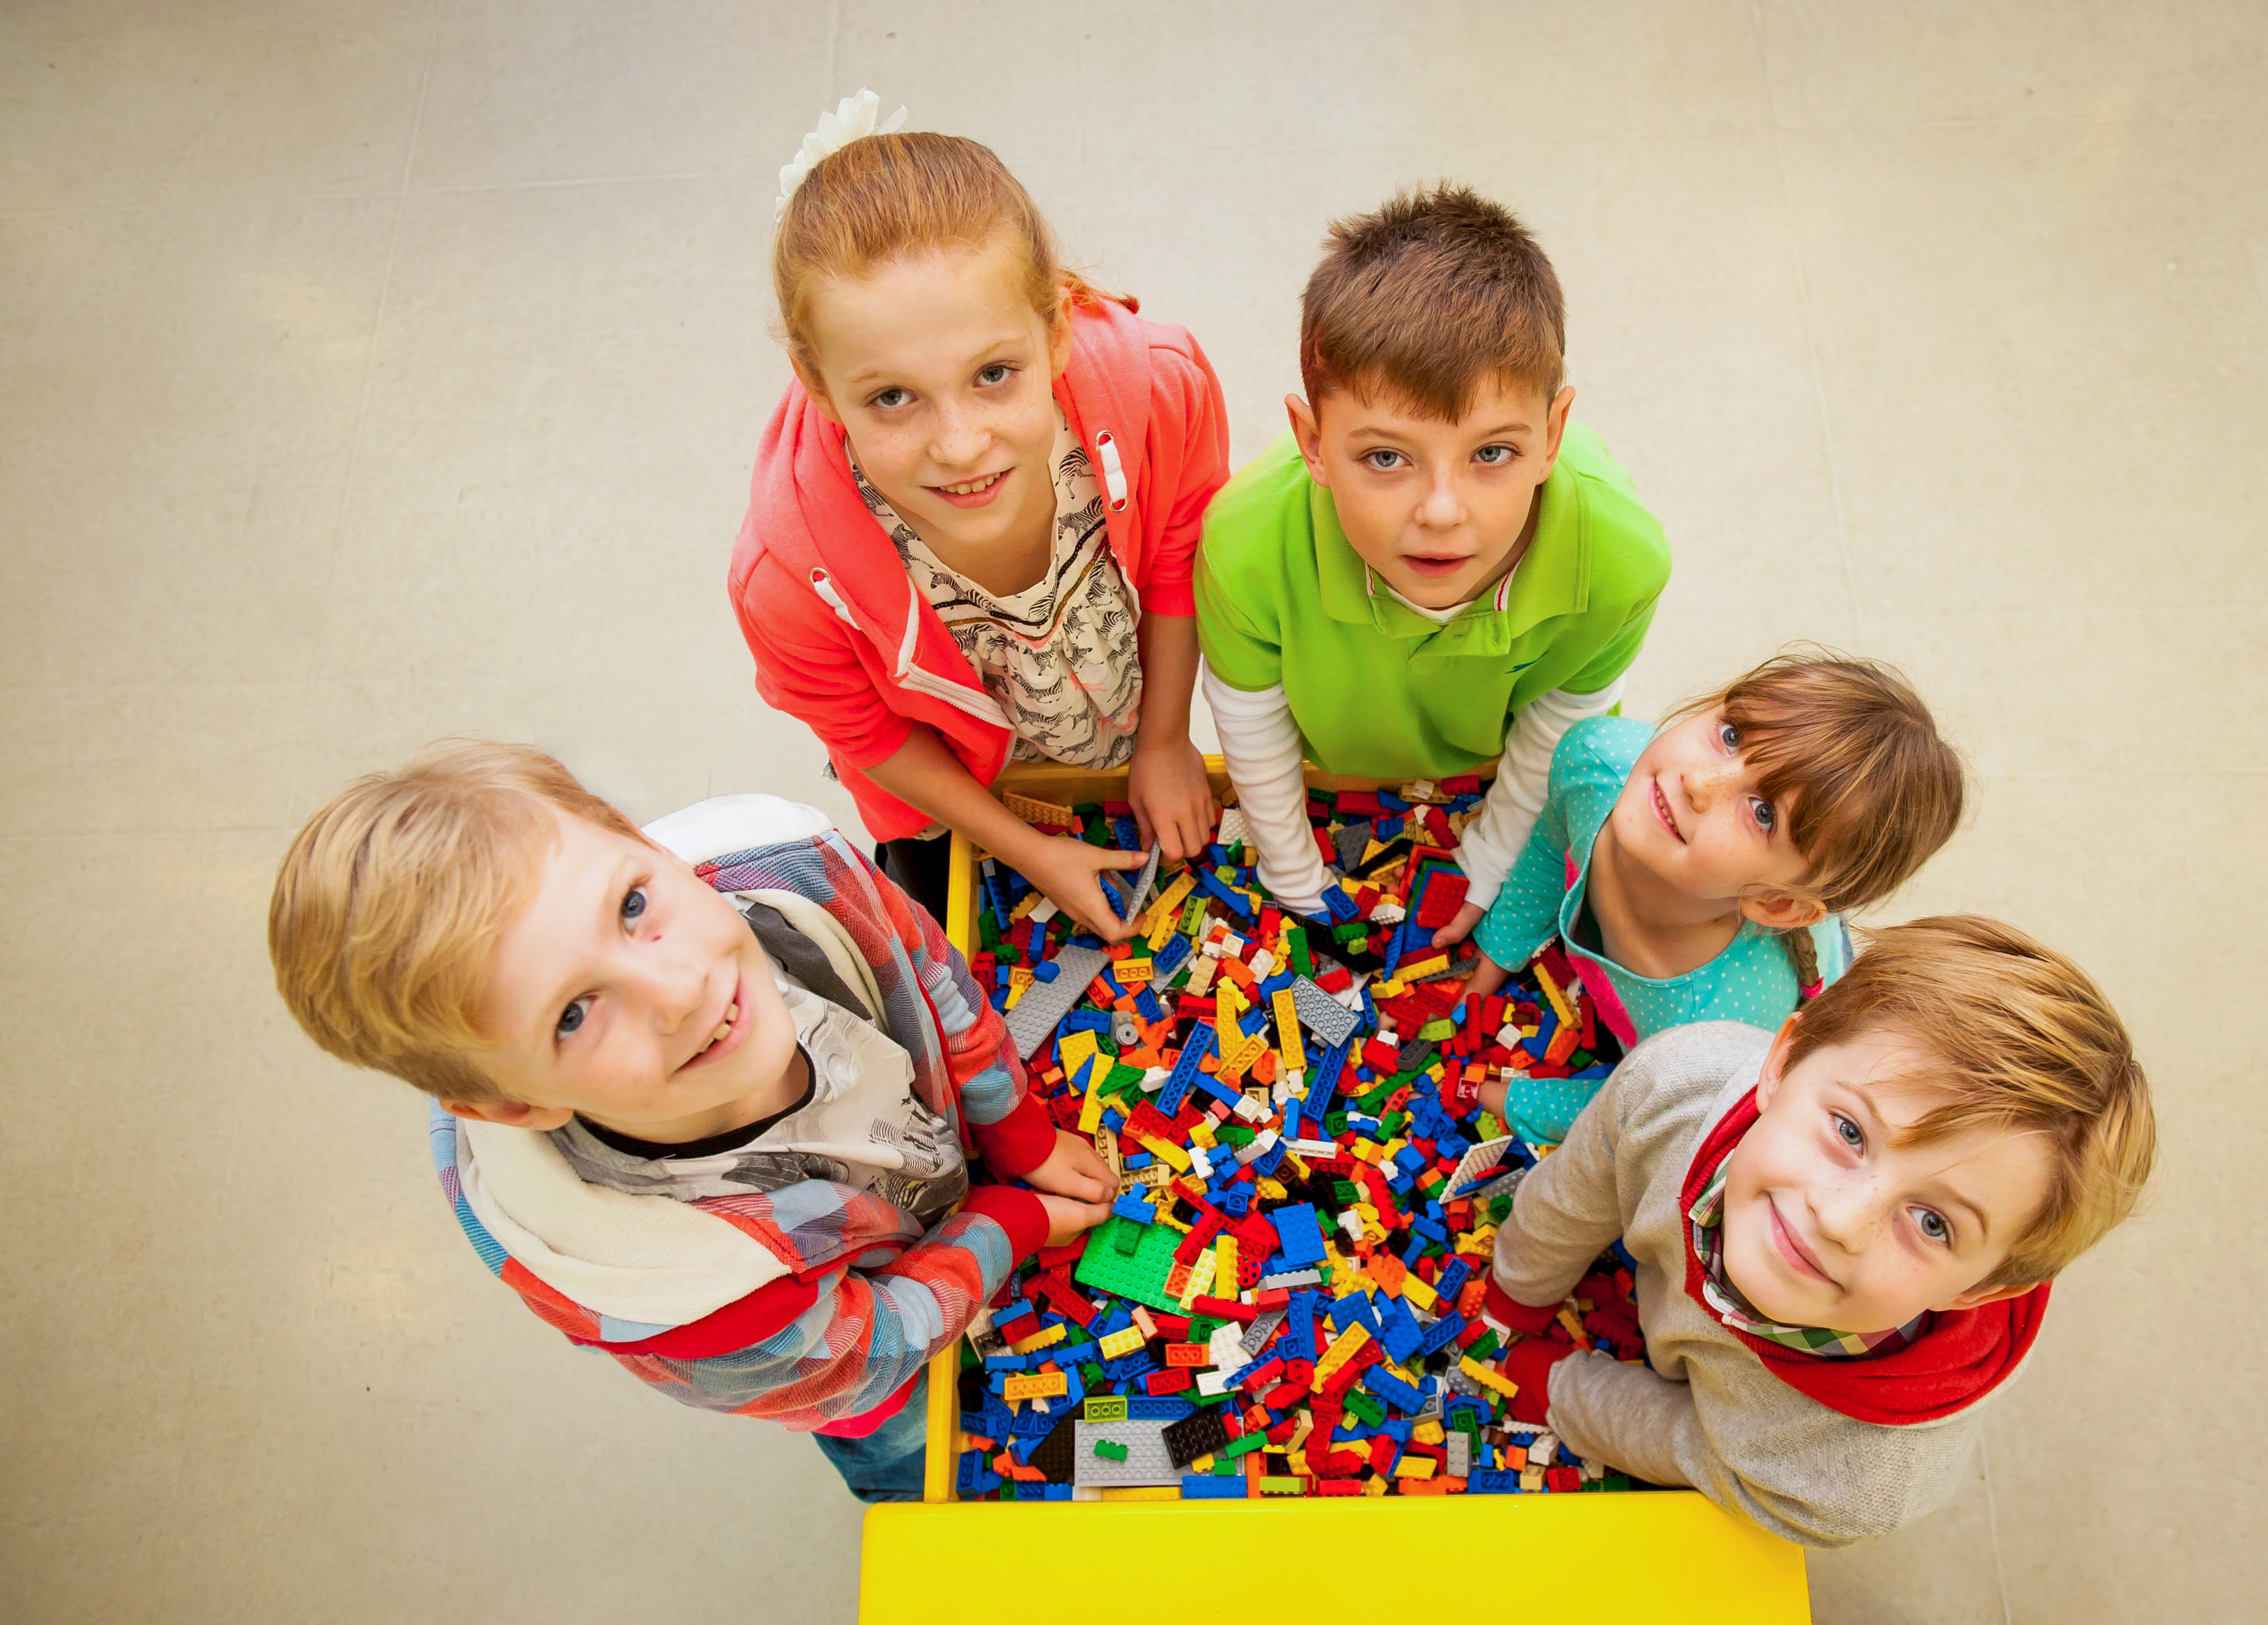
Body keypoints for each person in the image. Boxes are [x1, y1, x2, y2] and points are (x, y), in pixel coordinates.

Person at [266, 740, 1114, 1502]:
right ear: (518, 1105)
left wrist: (1017, 1131)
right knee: (908, 1445)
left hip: (917, 1172)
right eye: (573, 1014)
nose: (678, 991)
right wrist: (1008, 1222)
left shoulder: (797, 872)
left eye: (633, 906)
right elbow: (867, 1354)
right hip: (868, 1369)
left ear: (644, 844)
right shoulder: (683, 1300)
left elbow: (930, 973)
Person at [1480, 916, 2156, 1548]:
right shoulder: (1677, 1083)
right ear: (1782, 1062)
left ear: (1983, 1287)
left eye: (1931, 1223)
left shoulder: (1855, 1481)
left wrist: (1564, 1393)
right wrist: (1517, 1288)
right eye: (1849, 1131)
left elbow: (1707, 1454)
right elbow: (1574, 1190)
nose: (1838, 1220)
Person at [732, 94, 1229, 940]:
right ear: (818, 387)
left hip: (1113, 715)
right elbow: (869, 733)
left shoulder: (1159, 389)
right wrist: (1024, 849)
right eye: (892, 398)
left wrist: (1162, 737)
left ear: (1058, 329)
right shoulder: (786, 583)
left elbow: (1179, 553)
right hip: (940, 784)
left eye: (994, 373)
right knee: (937, 918)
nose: (960, 446)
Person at [1195, 182, 1670, 937]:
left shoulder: (1620, 560)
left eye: (1492, 452)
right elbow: (1252, 723)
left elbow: (1557, 724)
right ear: (1312, 442)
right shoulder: (1244, 544)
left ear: (1553, 436)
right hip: (1345, 766)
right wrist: (1292, 872)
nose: (1442, 511)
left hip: (1493, 774)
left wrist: (1486, 863)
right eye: (1387, 457)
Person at [1460, 651, 1965, 1141]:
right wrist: (1498, 950)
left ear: (1777, 904)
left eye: (1763, 813)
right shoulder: (1597, 762)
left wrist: (1509, 1100)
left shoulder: (1719, 1029)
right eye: (1731, 736)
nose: (1698, 782)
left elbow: (1640, 1109)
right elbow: (1552, 845)